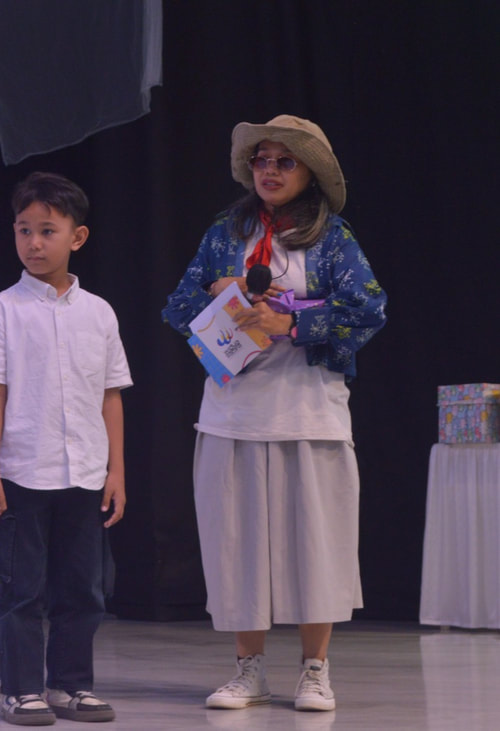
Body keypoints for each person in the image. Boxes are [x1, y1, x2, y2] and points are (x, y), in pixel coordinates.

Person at [162, 115, 387, 712]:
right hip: (233, 412)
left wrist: (290, 321)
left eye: (284, 161)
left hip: (308, 411)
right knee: (237, 544)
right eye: (261, 159)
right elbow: (177, 304)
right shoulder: (225, 233)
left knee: (316, 543)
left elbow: (368, 308)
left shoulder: (331, 236)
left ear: (310, 172)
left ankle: (315, 669)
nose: (270, 169)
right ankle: (249, 670)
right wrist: (219, 292)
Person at [0, 172, 132, 726]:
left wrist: (116, 471)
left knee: (84, 589)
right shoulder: (1, 310)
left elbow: (110, 396)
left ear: (77, 237)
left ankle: (70, 685)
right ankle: (20, 690)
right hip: (22, 473)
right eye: (23, 230)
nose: (33, 243)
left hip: (85, 473)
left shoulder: (99, 312)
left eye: (47, 231)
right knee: (21, 590)